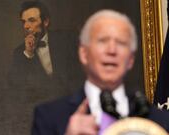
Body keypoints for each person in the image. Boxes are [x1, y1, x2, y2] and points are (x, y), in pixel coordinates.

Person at [31, 9, 169, 135]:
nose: (111, 50)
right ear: (84, 53)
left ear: (131, 59)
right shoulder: (49, 117)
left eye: (121, 43)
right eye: (102, 41)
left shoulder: (161, 121)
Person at [9, 1, 84, 99]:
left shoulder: (66, 39)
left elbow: (82, 72)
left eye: (31, 20)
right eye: (24, 21)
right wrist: (28, 54)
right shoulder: (20, 53)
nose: (26, 26)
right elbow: (15, 86)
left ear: (45, 22)